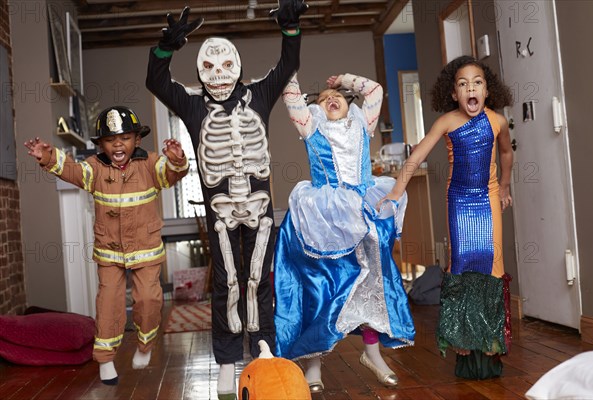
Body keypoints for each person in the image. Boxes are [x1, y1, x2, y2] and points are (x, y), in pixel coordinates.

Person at [145, 3, 307, 398]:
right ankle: (227, 361)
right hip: (219, 213)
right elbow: (156, 81)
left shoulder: (260, 94)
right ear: (200, 71)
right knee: (226, 282)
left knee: (258, 283)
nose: (218, 74)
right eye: (209, 66)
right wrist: (166, 47)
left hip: (260, 211)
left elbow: (287, 64)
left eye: (225, 64)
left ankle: (264, 348)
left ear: (237, 65)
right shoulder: (193, 103)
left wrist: (290, 28)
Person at [24, 106, 189, 385]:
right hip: (110, 250)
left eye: (124, 137)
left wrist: (177, 160)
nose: (117, 144)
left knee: (148, 300)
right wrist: (48, 157)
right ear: (101, 144)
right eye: (110, 140)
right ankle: (105, 359)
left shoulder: (150, 164)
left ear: (137, 140)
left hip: (145, 248)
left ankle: (145, 345)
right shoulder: (94, 167)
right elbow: (71, 170)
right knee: (108, 304)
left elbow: (171, 174)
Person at [274, 73, 415, 393]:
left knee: (368, 285)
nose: (330, 99)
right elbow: (291, 94)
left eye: (336, 96)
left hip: (362, 210)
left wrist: (346, 80)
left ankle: (372, 353)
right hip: (325, 216)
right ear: (316, 109)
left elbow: (376, 90)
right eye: (323, 99)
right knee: (322, 289)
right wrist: (290, 48)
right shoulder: (311, 126)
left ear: (348, 101)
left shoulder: (362, 124)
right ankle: (313, 363)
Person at [381, 55, 514, 379]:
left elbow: (507, 153)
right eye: (463, 83)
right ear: (454, 93)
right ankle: (463, 342)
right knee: (462, 266)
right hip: (459, 204)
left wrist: (505, 187)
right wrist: (396, 192)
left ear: (487, 89)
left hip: (488, 200)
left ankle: (491, 345)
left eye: (477, 82)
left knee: (492, 266)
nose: (471, 88)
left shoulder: (497, 121)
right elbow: (418, 155)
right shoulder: (447, 123)